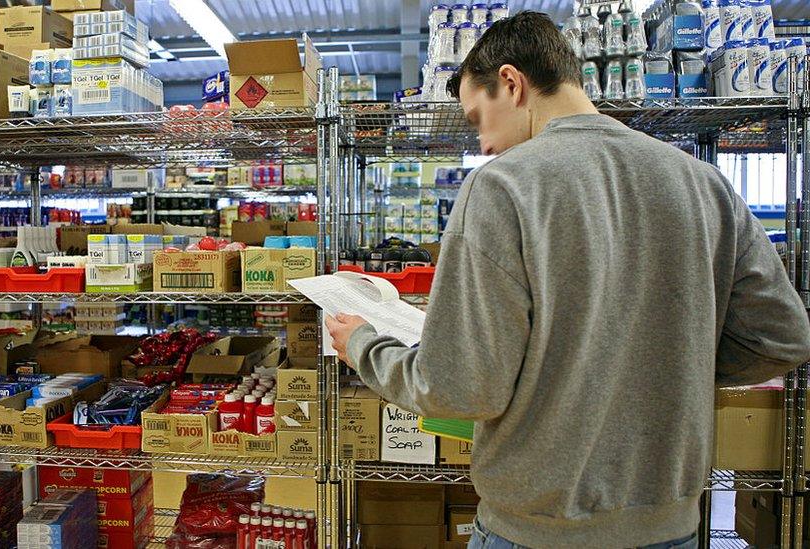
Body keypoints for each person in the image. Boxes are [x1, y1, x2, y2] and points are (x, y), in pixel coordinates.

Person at [325, 10, 810, 549]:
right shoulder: (705, 185)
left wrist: (366, 347)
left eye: (477, 118)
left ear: (511, 83)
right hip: (673, 526)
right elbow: (782, 338)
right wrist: (661, 372)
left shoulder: (504, 187)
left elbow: (462, 388)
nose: (482, 144)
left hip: (534, 530)